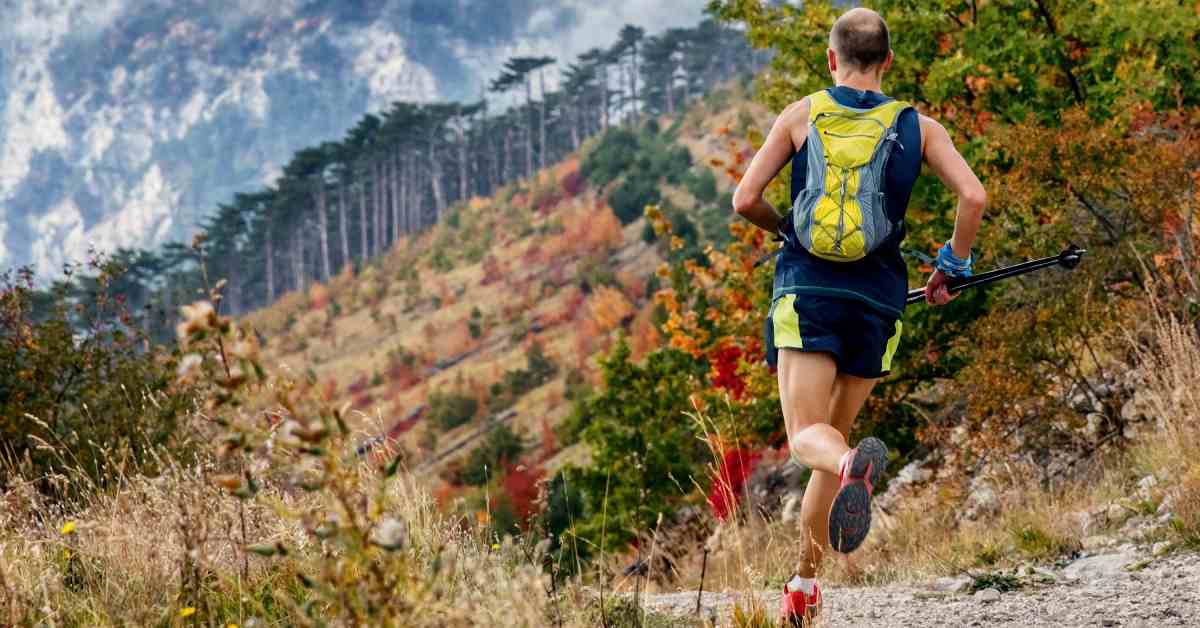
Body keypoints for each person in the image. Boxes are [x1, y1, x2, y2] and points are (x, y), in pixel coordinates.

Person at [731, 7, 987, 626]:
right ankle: (803, 586)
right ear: (888, 62)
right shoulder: (919, 128)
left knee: (809, 441)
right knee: (834, 441)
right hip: (878, 301)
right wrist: (952, 264)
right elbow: (974, 195)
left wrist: (788, 228)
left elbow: (745, 199)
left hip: (808, 291)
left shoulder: (801, 115)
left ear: (831, 59)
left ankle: (851, 466)